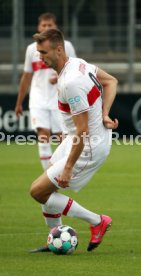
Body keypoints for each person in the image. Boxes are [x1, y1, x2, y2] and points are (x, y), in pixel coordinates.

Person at [30, 29, 119, 253]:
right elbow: (111, 81)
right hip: (76, 140)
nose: (40, 58)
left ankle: (97, 221)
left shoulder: (71, 83)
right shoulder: (78, 64)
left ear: (59, 49)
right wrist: (105, 113)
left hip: (87, 146)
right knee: (46, 190)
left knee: (38, 191)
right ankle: (54, 238)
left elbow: (82, 131)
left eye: (44, 52)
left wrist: (68, 167)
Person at [15, 13, 76, 170]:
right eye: (44, 25)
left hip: (59, 98)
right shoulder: (31, 49)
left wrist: (59, 76)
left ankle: (61, 171)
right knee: (43, 134)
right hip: (38, 98)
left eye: (50, 25)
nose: (47, 28)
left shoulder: (66, 46)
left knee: (61, 137)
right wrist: (19, 102)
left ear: (56, 27)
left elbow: (74, 69)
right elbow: (27, 76)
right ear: (38, 27)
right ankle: (48, 176)